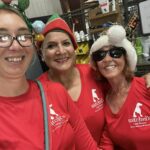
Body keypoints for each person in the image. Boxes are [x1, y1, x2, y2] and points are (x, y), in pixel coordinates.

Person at [0, 2, 100, 150]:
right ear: (42, 53)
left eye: (23, 36)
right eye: (2, 37)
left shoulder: (57, 92)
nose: (15, 46)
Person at [37, 13, 105, 144]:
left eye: (66, 43)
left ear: (74, 48)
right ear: (42, 54)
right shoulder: (37, 91)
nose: (61, 51)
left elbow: (122, 89)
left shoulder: (94, 72)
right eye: (51, 46)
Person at [90, 24, 150, 150]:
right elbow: (107, 141)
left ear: (126, 58)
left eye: (115, 53)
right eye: (100, 55)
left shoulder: (145, 87)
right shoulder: (104, 101)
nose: (107, 59)